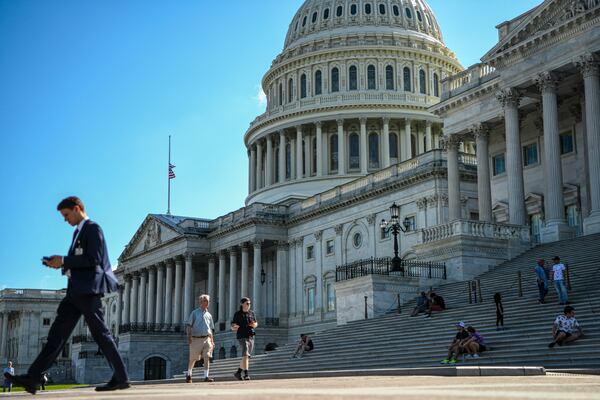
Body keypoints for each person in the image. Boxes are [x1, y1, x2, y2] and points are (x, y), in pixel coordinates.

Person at [4, 197, 130, 395]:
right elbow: (79, 261)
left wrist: (64, 260)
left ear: (77, 208)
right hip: (74, 291)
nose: (65, 220)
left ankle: (121, 376)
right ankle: (33, 377)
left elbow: (94, 259)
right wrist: (60, 263)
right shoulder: (78, 233)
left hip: (88, 290)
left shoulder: (92, 228)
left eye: (66, 215)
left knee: (101, 334)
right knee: (56, 335)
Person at [185, 294, 215, 383]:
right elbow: (189, 326)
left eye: (208, 301)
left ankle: (206, 377)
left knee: (207, 357)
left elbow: (210, 328)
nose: (207, 302)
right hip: (196, 339)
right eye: (205, 300)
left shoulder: (209, 315)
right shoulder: (194, 313)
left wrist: (212, 341)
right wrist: (189, 337)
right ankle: (189, 374)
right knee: (193, 358)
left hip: (207, 339)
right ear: (201, 302)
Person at [231, 297, 258, 381]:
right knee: (246, 354)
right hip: (242, 336)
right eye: (247, 303)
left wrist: (254, 325)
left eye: (249, 303)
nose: (249, 305)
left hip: (251, 335)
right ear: (242, 304)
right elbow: (232, 325)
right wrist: (234, 327)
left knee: (247, 356)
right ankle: (246, 374)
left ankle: (238, 372)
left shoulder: (252, 313)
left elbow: (256, 323)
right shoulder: (238, 314)